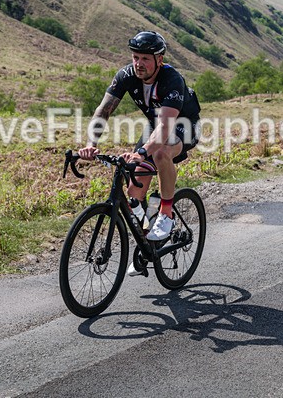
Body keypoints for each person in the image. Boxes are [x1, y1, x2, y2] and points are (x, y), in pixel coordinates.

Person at [78, 31, 201, 253]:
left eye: (145, 58)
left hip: (185, 124)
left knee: (160, 153)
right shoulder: (126, 75)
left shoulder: (172, 80)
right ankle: (149, 244)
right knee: (135, 193)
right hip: (156, 127)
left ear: (159, 60)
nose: (139, 63)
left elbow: (165, 128)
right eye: (135, 57)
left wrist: (141, 153)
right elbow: (103, 110)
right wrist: (91, 144)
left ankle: (165, 213)